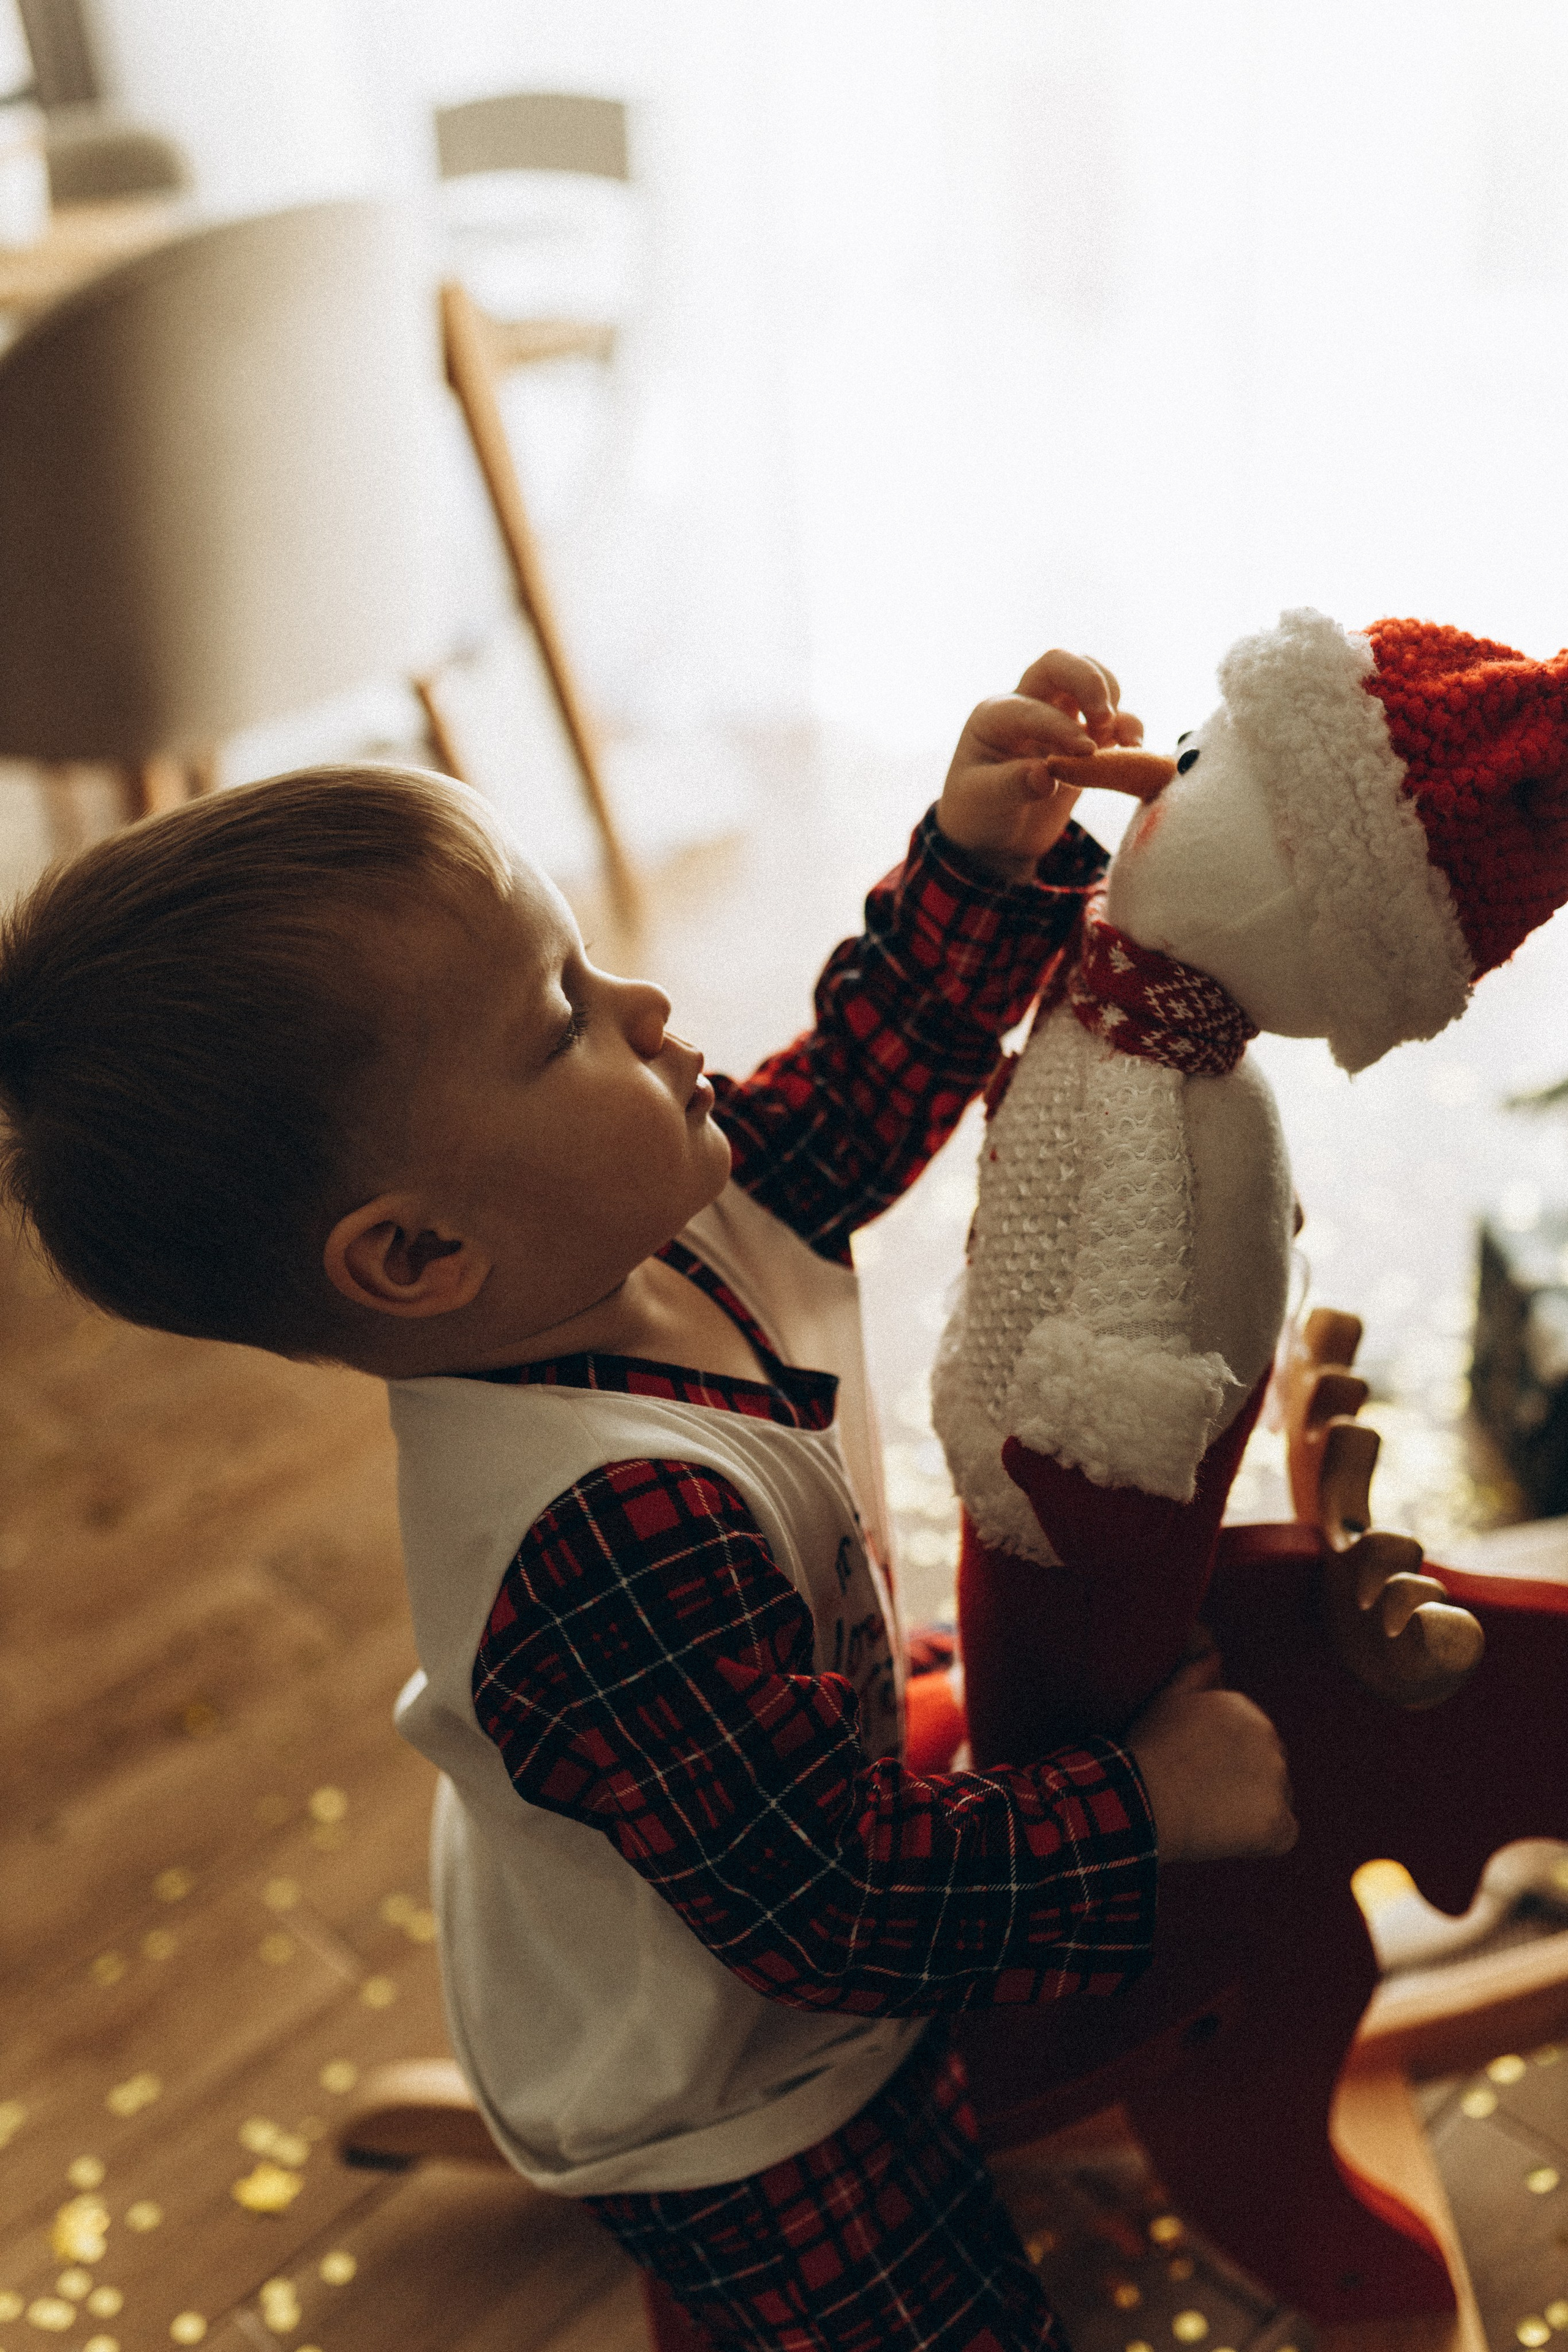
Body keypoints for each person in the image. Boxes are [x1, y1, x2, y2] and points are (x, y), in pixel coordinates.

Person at [0, 649, 1295, 2352]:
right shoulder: (604, 1539)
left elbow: (850, 1094)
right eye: (562, 1021)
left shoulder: (623, 1233)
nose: (650, 1006)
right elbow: (835, 1911)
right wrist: (1145, 1808)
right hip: (739, 2084)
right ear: (417, 1254)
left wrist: (983, 867)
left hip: (735, 1799)